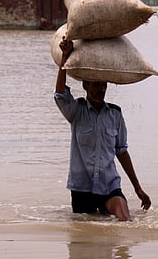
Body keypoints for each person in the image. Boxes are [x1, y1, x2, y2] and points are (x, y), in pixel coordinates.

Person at [54, 40, 151, 221]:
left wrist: (138, 188)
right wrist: (65, 57)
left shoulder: (115, 114)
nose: (101, 89)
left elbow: (121, 151)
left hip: (109, 185)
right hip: (82, 188)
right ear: (86, 86)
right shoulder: (77, 112)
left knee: (125, 219)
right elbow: (60, 94)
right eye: (96, 85)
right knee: (85, 236)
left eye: (104, 85)